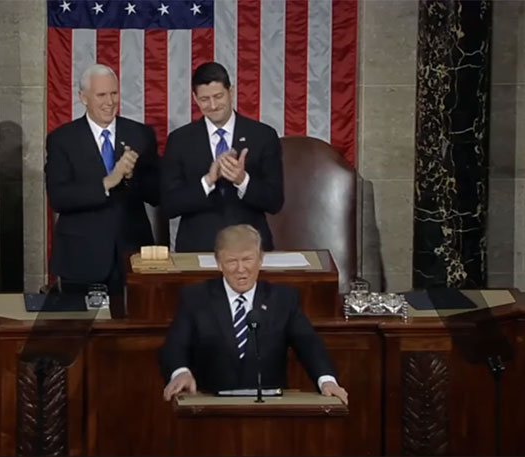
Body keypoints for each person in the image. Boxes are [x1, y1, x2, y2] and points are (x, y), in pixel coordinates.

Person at [159, 224, 348, 405]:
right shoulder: (197, 298)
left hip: (269, 410)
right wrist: (180, 372)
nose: (241, 269)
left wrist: (326, 380)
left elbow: (308, 343)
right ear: (218, 263)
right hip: (211, 408)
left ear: (260, 259)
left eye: (247, 260)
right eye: (232, 261)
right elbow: (175, 345)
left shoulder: (282, 299)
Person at [45, 64, 160, 294]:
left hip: (132, 254)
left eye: (114, 93)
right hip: (81, 257)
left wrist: (130, 176)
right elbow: (59, 197)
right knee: (81, 329)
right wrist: (108, 181)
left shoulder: (140, 134)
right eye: (101, 95)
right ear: (83, 98)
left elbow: (156, 193)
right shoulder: (62, 139)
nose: (110, 102)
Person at [161, 62, 284, 252]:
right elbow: (169, 205)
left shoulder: (263, 136)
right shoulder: (179, 140)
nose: (212, 105)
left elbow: (275, 201)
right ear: (195, 98)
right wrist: (207, 181)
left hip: (249, 249)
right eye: (204, 99)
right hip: (198, 249)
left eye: (218, 96)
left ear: (231, 91)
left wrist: (242, 180)